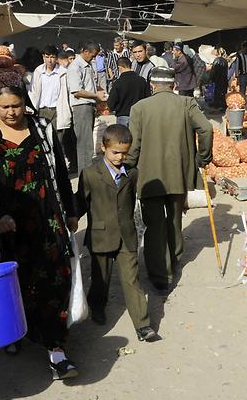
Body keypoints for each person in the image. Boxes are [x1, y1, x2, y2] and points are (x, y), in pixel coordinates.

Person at [0, 71, 79, 379]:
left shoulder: (42, 127)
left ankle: (56, 347)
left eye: (17, 105)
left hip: (45, 220)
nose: (13, 113)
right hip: (4, 228)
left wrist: (70, 210)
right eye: (5, 108)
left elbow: (61, 173)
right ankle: (12, 333)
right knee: (11, 283)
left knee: (54, 279)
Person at [127, 67, 213, 290]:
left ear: (152, 85)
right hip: (179, 174)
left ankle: (160, 275)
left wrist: (127, 167)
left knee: (154, 225)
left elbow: (133, 146)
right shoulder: (186, 104)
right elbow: (206, 129)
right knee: (175, 218)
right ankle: (174, 260)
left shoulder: (139, 109)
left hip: (149, 177)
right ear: (173, 85)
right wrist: (202, 157)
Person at [78, 125, 158, 342]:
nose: (120, 157)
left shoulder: (132, 173)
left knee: (132, 279)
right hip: (100, 235)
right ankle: (97, 306)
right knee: (100, 278)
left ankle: (143, 325)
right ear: (104, 148)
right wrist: (72, 219)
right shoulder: (90, 174)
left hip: (126, 234)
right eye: (115, 152)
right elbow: (81, 203)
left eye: (124, 152)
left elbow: (130, 200)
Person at [67, 41, 107, 172]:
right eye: (93, 55)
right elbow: (76, 91)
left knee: (87, 142)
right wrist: (96, 95)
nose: (94, 58)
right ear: (85, 52)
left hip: (88, 106)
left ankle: (87, 172)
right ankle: (85, 174)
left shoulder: (87, 65)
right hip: (81, 107)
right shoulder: (75, 67)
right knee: (85, 143)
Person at [30, 46, 73, 165]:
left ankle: (59, 167)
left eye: (52, 57)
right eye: (47, 57)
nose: (49, 60)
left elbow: (68, 93)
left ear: (56, 58)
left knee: (57, 142)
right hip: (42, 111)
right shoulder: (38, 72)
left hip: (57, 111)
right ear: (43, 57)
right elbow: (33, 92)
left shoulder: (62, 73)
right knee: (43, 141)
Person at [107, 57, 150, 127]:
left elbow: (111, 103)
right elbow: (147, 99)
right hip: (139, 116)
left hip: (123, 116)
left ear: (119, 67)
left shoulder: (118, 83)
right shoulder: (142, 81)